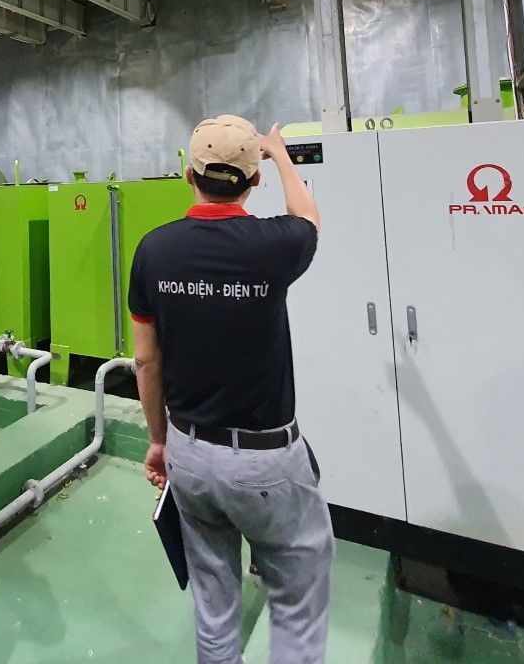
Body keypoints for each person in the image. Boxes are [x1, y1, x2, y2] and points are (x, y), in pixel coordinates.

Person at [129, 115, 331, 664]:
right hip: (265, 462)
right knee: (296, 603)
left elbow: (146, 360)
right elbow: (308, 217)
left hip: (189, 453)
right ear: (254, 180)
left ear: (188, 173)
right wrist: (280, 153)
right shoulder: (275, 244)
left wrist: (158, 440)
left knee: (214, 604)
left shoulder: (153, 250)